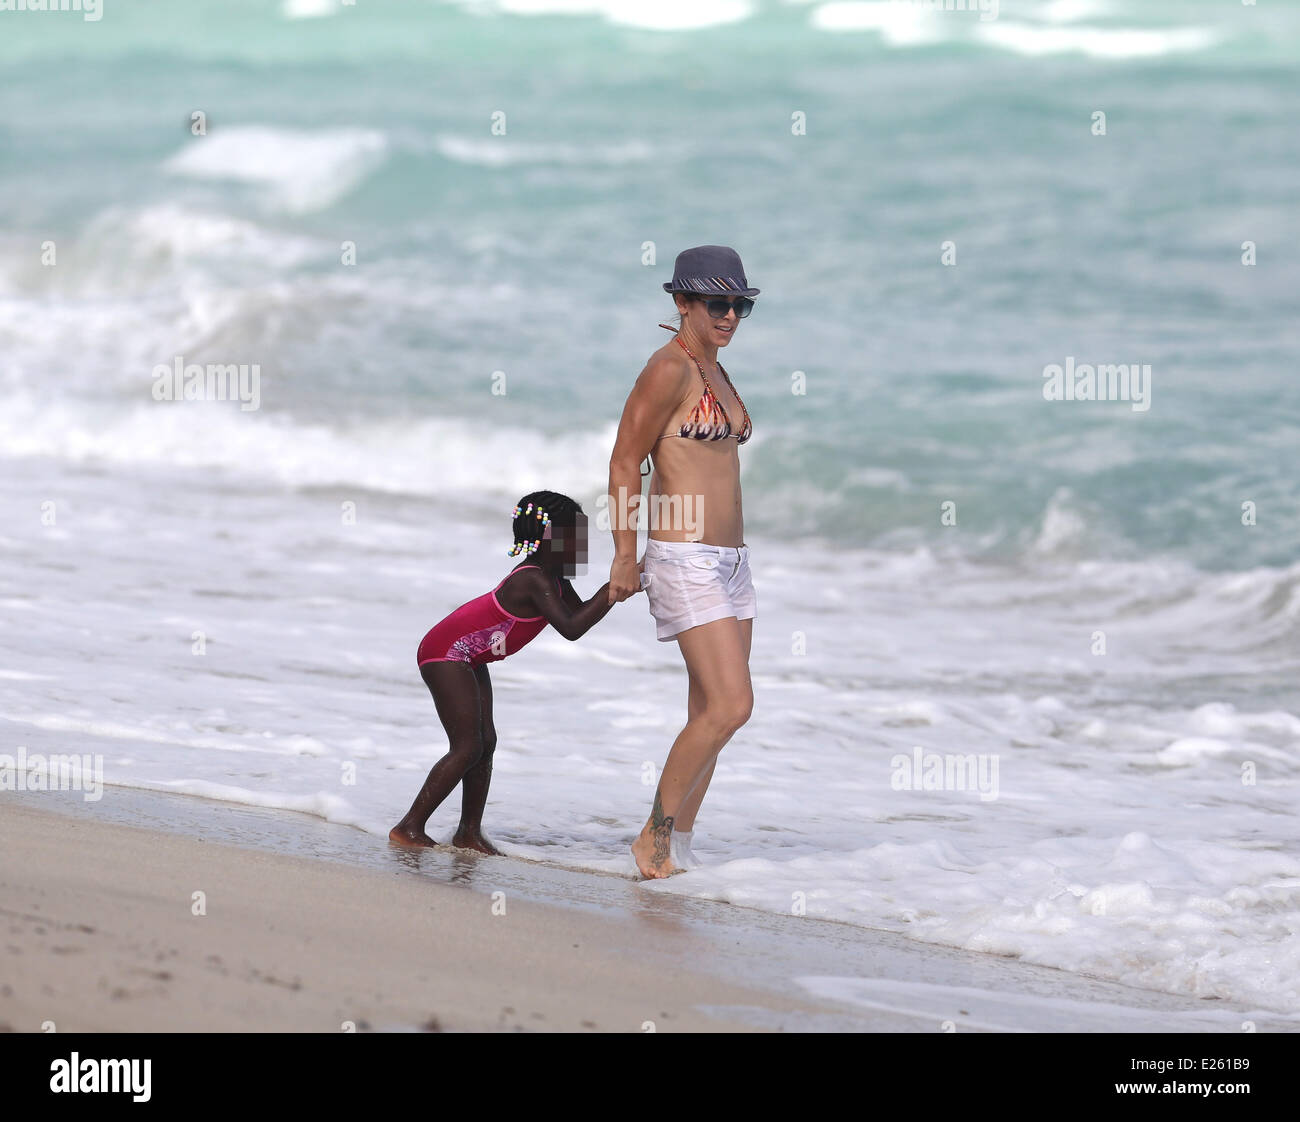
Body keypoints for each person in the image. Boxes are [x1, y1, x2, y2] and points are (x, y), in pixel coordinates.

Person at [607, 245, 759, 879]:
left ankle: (680, 845)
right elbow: (623, 459)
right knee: (732, 705)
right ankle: (652, 840)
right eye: (717, 303)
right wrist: (623, 555)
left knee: (710, 713)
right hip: (684, 557)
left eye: (740, 304)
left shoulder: (717, 370)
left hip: (729, 562)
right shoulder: (667, 368)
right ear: (682, 304)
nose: (729, 314)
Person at [390, 491, 635, 854]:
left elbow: (580, 618)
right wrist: (613, 587)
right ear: (551, 538)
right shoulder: (532, 578)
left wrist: (624, 586)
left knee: (485, 743)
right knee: (467, 745)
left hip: (471, 657)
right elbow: (570, 627)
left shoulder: (554, 580)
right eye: (576, 539)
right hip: (445, 654)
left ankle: (468, 834)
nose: (582, 549)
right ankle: (409, 827)